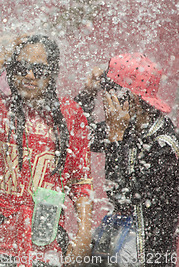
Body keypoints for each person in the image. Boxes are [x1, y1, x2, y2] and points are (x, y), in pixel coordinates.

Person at [0, 35, 93, 267]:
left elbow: (80, 180)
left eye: (38, 70)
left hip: (46, 241)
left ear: (52, 73)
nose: (28, 76)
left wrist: (85, 231)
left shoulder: (71, 114)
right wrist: (3, 57)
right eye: (21, 67)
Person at [81, 53, 179, 266]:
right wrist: (87, 94)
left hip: (145, 253)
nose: (104, 99)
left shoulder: (163, 147)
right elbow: (77, 136)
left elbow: (123, 195)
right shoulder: (127, 126)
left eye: (107, 92)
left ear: (130, 98)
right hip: (116, 234)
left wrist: (115, 139)